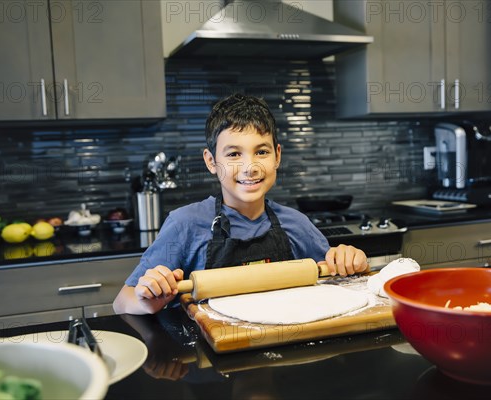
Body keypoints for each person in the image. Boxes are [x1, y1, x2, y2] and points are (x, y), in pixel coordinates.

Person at [113, 93, 369, 315]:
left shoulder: (297, 224)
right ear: (211, 161)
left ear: (277, 156)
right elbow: (122, 302)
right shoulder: (185, 225)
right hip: (211, 359)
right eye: (234, 154)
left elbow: (335, 285)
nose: (250, 167)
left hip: (283, 358)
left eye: (261, 152)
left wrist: (349, 262)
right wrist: (148, 300)